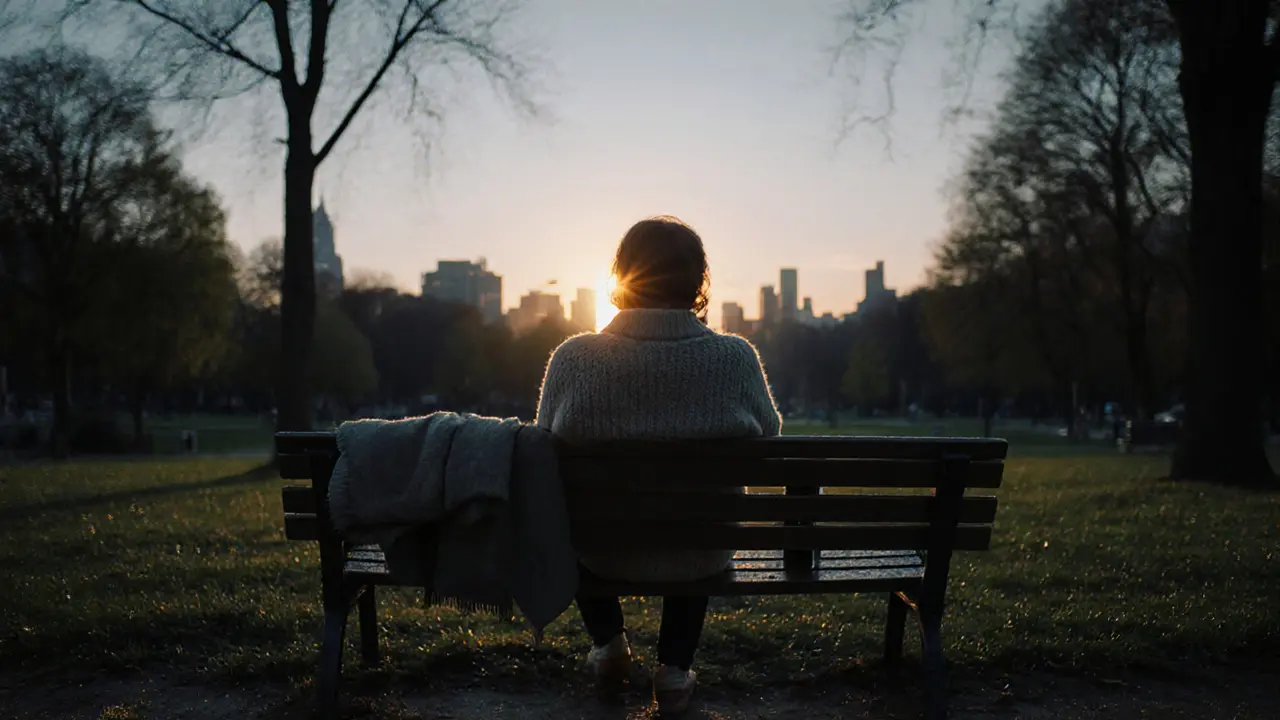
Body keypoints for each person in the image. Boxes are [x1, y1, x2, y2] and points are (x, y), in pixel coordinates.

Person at [535, 216, 782, 714]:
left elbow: (543, 447)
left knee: (571, 517)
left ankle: (608, 646)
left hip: (600, 552)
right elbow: (771, 434)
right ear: (698, 282)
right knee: (697, 521)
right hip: (700, 553)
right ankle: (672, 671)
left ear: (622, 275)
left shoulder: (574, 359)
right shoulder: (734, 359)